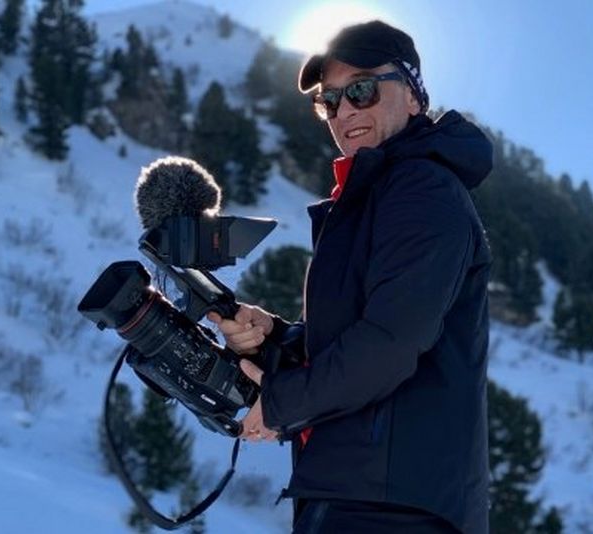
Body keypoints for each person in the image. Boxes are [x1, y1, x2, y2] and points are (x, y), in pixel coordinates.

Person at [208, 20, 493, 534]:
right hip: (356, 493)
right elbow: (351, 341)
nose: (344, 112)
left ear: (412, 95)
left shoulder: (422, 189)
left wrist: (276, 406)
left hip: (394, 508)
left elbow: (389, 342)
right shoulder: (376, 196)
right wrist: (272, 336)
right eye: (329, 101)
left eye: (360, 90)